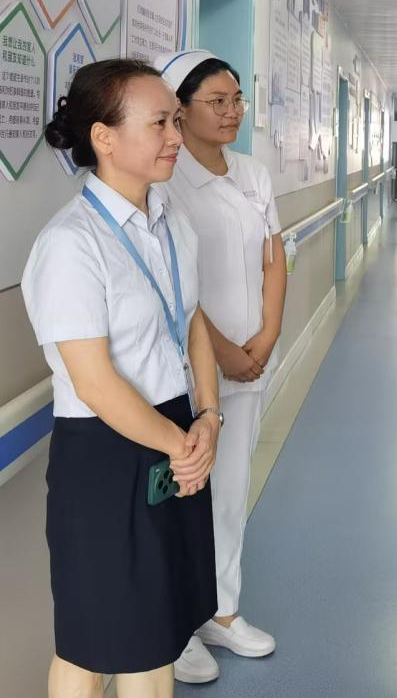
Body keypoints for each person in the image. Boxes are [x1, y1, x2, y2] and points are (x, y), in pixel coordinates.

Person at [22, 58, 220, 697]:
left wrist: (208, 418)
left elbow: (192, 322)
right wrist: (181, 446)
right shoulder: (71, 243)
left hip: (177, 431)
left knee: (154, 633)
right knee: (91, 642)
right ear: (104, 137)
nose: (176, 136)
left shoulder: (172, 221)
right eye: (160, 122)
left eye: (176, 120)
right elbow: (95, 382)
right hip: (106, 452)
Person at [155, 50, 285, 683]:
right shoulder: (164, 179)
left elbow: (273, 258)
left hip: (251, 361)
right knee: (184, 497)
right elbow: (173, 284)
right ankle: (176, 627)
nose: (232, 111)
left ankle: (221, 612)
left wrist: (267, 335)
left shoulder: (252, 172)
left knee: (231, 493)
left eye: (237, 99)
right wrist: (226, 352)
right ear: (178, 110)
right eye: (217, 101)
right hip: (189, 370)